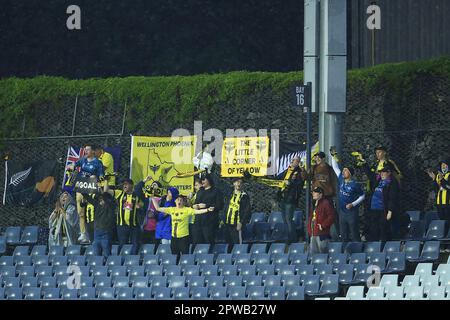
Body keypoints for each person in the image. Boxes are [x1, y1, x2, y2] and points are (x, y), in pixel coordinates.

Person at [66, 144, 104, 243]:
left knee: (91, 210)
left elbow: (101, 175)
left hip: (91, 187)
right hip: (81, 185)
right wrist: (71, 166)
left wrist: (96, 179)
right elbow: (73, 165)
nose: (86, 151)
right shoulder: (82, 160)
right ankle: (83, 234)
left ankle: (94, 233)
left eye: (88, 150)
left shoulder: (97, 163)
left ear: (93, 152)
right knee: (80, 211)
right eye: (85, 150)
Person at [330, 149, 365, 242]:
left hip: (351, 212)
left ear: (350, 173)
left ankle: (357, 249)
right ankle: (344, 251)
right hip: (342, 211)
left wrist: (353, 204)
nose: (343, 172)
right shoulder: (341, 179)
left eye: (345, 171)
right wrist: (333, 156)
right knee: (343, 232)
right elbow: (335, 168)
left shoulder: (355, 184)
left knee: (354, 232)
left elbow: (362, 196)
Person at [104, 179, 142, 255]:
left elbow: (141, 204)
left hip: (133, 225)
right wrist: (106, 180)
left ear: (132, 185)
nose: (124, 185)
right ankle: (120, 260)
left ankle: (132, 259)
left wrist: (139, 206)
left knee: (135, 244)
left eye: (126, 184)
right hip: (122, 225)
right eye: (124, 184)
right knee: (122, 244)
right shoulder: (120, 193)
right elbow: (106, 190)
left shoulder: (136, 195)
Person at [276, 156, 306, 244]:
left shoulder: (299, 172)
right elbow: (278, 179)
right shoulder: (287, 171)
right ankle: (289, 236)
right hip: (283, 197)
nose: (295, 162)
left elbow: (300, 184)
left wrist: (290, 182)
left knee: (289, 219)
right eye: (294, 161)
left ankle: (292, 239)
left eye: (297, 161)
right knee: (285, 219)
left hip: (291, 199)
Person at [367, 164, 400, 241]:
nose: (381, 174)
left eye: (383, 172)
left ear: (389, 173)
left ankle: (383, 245)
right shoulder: (379, 181)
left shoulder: (392, 183)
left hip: (383, 209)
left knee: (383, 228)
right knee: (374, 228)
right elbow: (370, 176)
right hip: (374, 208)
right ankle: (375, 245)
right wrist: (365, 164)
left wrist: (390, 211)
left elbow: (392, 197)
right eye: (381, 172)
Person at [83, 186, 116, 257]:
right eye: (100, 199)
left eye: (102, 199)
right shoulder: (97, 204)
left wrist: (103, 191)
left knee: (107, 253)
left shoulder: (111, 206)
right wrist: (80, 189)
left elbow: (108, 198)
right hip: (97, 232)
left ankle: (107, 266)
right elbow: (88, 197)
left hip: (106, 232)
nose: (100, 200)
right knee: (96, 254)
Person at [193, 174, 224, 245]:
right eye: (201, 180)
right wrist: (195, 205)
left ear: (209, 180)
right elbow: (196, 202)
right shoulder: (200, 191)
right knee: (197, 241)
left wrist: (207, 205)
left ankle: (210, 255)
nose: (202, 181)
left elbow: (220, 205)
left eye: (204, 179)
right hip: (199, 220)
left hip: (210, 220)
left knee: (208, 240)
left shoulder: (216, 191)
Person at [223, 177, 251, 245]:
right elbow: (225, 207)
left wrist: (241, 222)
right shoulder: (229, 194)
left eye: (240, 182)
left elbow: (246, 211)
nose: (238, 184)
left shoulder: (244, 196)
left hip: (237, 224)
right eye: (237, 182)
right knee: (228, 243)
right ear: (233, 183)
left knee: (237, 243)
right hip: (228, 223)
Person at [307, 187, 336, 254]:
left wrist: (323, 226)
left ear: (321, 194)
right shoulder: (314, 204)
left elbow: (331, 216)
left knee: (323, 254)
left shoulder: (326, 203)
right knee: (313, 255)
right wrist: (309, 229)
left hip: (322, 235)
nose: (313, 193)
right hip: (313, 233)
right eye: (313, 192)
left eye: (315, 192)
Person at [427, 159, 450, 231]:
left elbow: (448, 187)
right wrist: (434, 179)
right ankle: (442, 237)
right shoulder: (438, 175)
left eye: (445, 165)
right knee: (442, 221)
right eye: (442, 165)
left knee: (448, 221)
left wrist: (442, 179)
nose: (443, 167)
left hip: (448, 203)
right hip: (439, 203)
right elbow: (436, 189)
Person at [134, 175, 157, 244]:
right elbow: (137, 189)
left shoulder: (162, 200)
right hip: (145, 228)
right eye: (152, 186)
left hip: (156, 230)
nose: (153, 187)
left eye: (155, 186)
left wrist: (155, 215)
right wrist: (145, 180)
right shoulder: (146, 199)